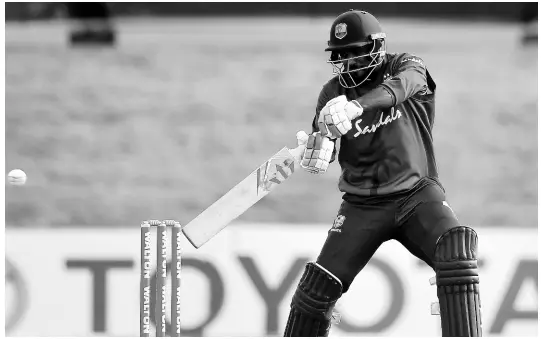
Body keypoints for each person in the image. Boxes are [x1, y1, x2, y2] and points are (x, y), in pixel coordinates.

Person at [283, 10, 482, 337]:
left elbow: (403, 87)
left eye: (354, 53)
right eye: (340, 56)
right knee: (314, 292)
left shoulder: (406, 65)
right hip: (361, 206)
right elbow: (327, 139)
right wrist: (318, 146)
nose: (347, 63)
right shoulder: (331, 94)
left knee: (456, 252)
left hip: (417, 196)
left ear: (376, 47)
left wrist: (357, 107)